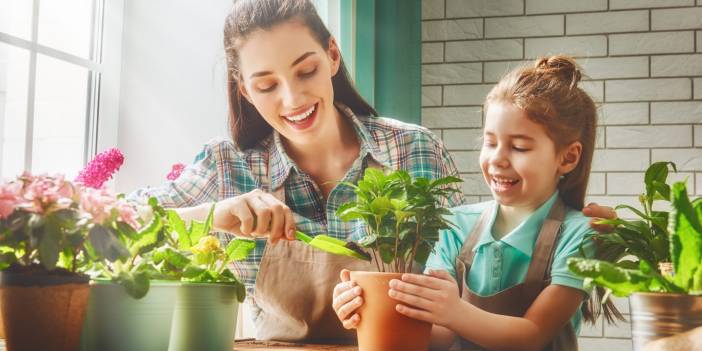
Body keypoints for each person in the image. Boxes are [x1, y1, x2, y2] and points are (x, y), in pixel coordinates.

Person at [135, 0, 616, 343]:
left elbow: (470, 284)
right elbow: (114, 223)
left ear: (332, 56)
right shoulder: (227, 166)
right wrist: (212, 214)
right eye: (266, 85)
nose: (293, 99)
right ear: (243, 89)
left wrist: (569, 227)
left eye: (305, 71)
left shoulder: (413, 151)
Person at [332, 56, 620, 350]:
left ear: (568, 157)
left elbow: (533, 334)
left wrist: (455, 311)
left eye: (519, 147)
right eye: (490, 142)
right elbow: (440, 336)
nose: (497, 158)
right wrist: (366, 310)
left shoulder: (580, 235)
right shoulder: (454, 224)